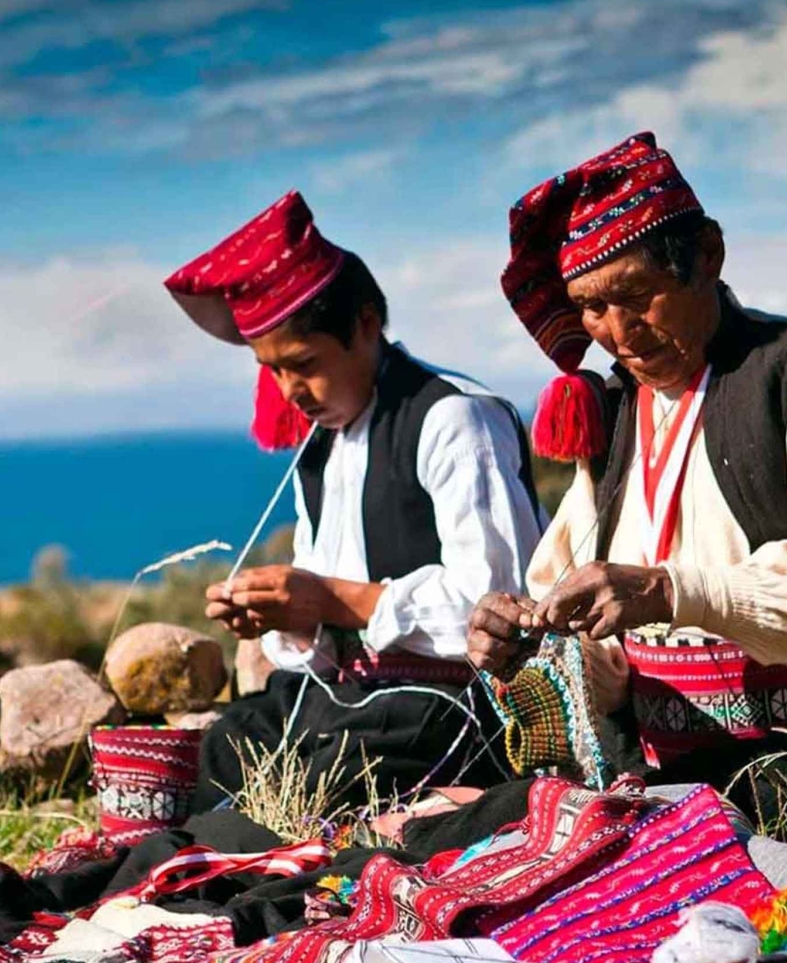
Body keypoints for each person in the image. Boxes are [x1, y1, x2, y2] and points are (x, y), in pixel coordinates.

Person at [467, 132, 787, 801]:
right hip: (669, 776)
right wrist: (529, 644)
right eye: (591, 306)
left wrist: (670, 590)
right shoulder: (615, 411)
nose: (617, 331)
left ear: (707, 257)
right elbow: (603, 656)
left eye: (636, 294)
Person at [163, 191, 545, 811]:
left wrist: (335, 600)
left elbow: (504, 610)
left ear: (366, 324)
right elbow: (322, 635)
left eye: (304, 363)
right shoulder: (319, 451)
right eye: (273, 370)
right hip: (348, 700)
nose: (290, 390)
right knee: (230, 743)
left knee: (323, 782)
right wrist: (286, 617)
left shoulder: (456, 419)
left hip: (447, 709)